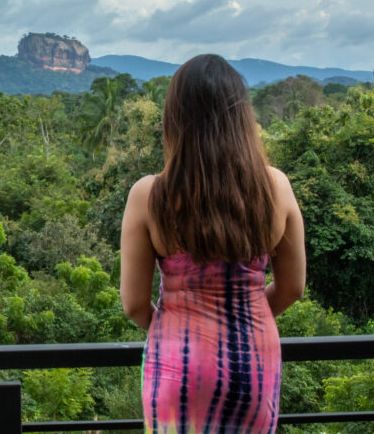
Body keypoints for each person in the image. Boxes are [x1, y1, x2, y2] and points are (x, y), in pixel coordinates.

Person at [120, 54, 306, 434]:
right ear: (240, 116)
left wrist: (175, 325)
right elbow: (292, 287)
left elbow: (135, 304)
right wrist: (245, 312)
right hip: (252, 360)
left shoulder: (149, 195)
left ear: (175, 119)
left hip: (177, 364)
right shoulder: (275, 188)